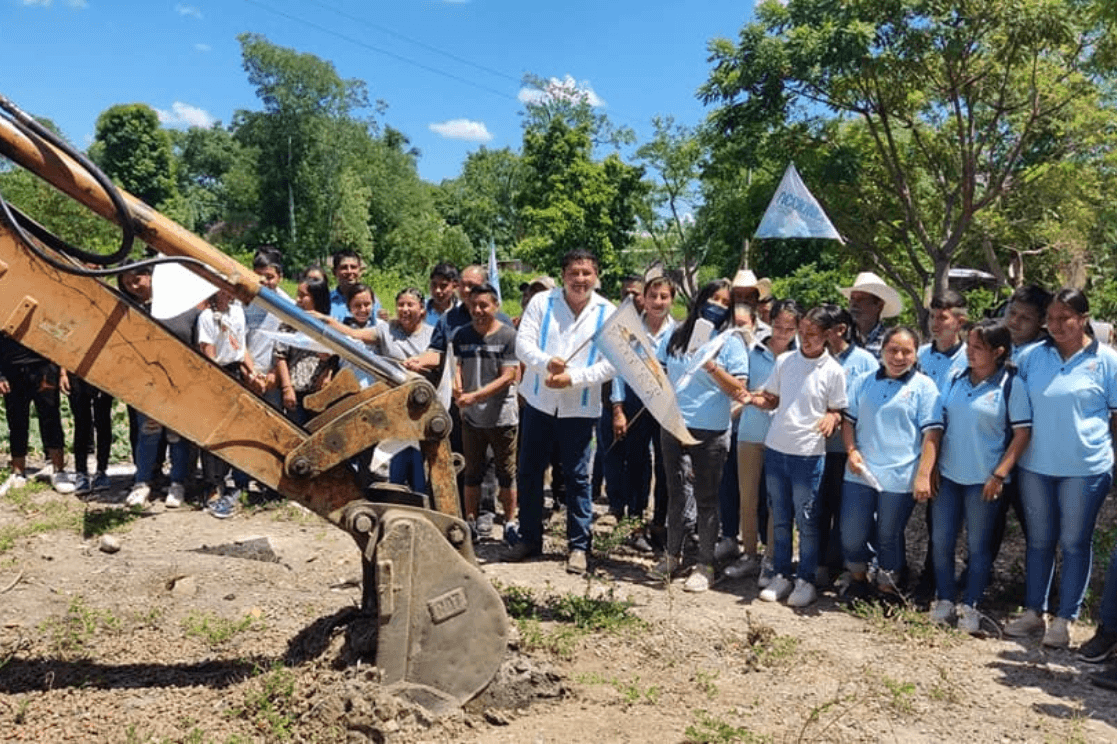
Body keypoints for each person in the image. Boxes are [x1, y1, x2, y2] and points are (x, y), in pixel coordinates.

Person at [1004, 288, 1117, 648]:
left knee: (1074, 542)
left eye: (1063, 318)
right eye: (1050, 319)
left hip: (1086, 468)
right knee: (1039, 541)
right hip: (1036, 465)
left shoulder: (1108, 362)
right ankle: (1034, 612)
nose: (1055, 326)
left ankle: (1065, 619)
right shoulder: (1031, 357)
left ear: (1083, 319)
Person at [917, 319, 1031, 632]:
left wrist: (999, 474)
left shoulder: (1011, 385)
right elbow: (939, 426)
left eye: (978, 347)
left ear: (998, 351)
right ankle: (944, 599)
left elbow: (1022, 434)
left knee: (979, 547)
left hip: (985, 481)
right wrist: (932, 467)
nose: (970, 352)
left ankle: (971, 605)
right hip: (950, 477)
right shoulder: (955, 379)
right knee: (941, 541)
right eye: (969, 345)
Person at [510, 249, 616, 575]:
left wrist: (574, 379)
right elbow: (522, 343)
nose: (580, 279)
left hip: (580, 408)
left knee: (578, 477)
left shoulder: (608, 312)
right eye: (574, 273)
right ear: (564, 274)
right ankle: (529, 537)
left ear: (596, 276)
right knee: (528, 471)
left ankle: (579, 547)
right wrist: (545, 364)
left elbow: (612, 364)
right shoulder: (542, 303)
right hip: (540, 402)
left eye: (586, 273)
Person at [652, 279, 749, 593]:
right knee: (675, 493)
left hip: (711, 431)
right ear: (699, 300)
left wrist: (709, 365)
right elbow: (659, 372)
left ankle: (705, 564)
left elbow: (739, 389)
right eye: (713, 299)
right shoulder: (674, 334)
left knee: (707, 499)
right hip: (673, 425)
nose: (717, 306)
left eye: (725, 303)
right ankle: (672, 554)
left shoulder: (731, 342)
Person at [747, 306, 847, 607]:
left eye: (813, 334)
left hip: (808, 455)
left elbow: (837, 408)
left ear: (828, 335)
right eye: (802, 331)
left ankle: (805, 579)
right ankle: (781, 574)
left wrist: (834, 418)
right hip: (777, 448)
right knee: (779, 518)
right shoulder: (785, 361)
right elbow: (772, 398)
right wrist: (753, 399)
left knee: (807, 521)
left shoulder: (833, 371)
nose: (806, 339)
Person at [841, 326, 941, 601]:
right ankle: (858, 579)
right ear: (882, 350)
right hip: (860, 472)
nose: (898, 356)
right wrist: (851, 450)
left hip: (900, 475)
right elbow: (848, 420)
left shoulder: (924, 387)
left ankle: (888, 587)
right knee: (852, 533)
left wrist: (923, 475)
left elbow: (932, 433)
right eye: (892, 350)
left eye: (906, 351)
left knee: (889, 534)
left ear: (915, 354)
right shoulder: (863, 381)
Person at [724, 298, 802, 583]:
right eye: (778, 326)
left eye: (789, 328)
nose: (782, 333)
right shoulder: (752, 350)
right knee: (747, 498)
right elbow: (738, 386)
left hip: (782, 439)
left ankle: (773, 558)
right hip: (750, 433)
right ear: (769, 323)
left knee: (776, 502)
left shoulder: (800, 356)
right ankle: (749, 554)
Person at [609, 275, 678, 551]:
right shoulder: (629, 330)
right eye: (653, 296)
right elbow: (618, 372)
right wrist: (618, 409)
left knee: (666, 467)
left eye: (664, 297)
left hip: (666, 407)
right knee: (637, 466)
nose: (658, 302)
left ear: (672, 300)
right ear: (644, 299)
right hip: (636, 406)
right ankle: (635, 526)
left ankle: (659, 524)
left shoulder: (679, 334)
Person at [452, 283, 519, 537]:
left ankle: (510, 523)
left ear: (496, 306)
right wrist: (456, 386)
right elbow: (455, 366)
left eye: (484, 305)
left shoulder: (508, 336)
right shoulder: (461, 335)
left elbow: (508, 376)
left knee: (506, 473)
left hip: (502, 417)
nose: (478, 310)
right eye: (473, 305)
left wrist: (475, 396)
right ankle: (470, 521)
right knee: (472, 472)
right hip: (471, 417)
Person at [816, 305, 876, 586]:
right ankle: (816, 564)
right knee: (818, 508)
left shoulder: (865, 361)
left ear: (839, 330)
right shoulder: (816, 357)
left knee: (845, 511)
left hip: (849, 450)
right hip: (815, 448)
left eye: (822, 329)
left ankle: (839, 566)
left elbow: (870, 403)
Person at [196, 288, 258, 518]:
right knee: (214, 431)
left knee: (237, 429)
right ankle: (213, 483)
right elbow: (207, 351)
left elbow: (241, 348)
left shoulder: (237, 312)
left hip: (236, 372)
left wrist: (252, 372)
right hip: (216, 374)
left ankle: (237, 481)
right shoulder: (206, 316)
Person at [0, 336, 76, 494]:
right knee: (16, 421)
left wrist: (62, 370)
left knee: (51, 417)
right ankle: (18, 473)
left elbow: (59, 333)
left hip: (44, 366)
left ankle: (59, 471)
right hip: (11, 369)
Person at [275, 272, 337, 425]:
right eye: (298, 295)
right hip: (296, 393)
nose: (298, 300)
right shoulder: (289, 323)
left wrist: (328, 373)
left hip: (321, 395)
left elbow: (338, 357)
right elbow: (280, 356)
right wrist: (287, 388)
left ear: (317, 298)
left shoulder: (329, 325)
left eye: (303, 296)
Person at [838, 271, 903, 359]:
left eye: (861, 299)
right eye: (852, 299)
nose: (854, 304)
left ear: (879, 305)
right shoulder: (841, 336)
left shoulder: (891, 340)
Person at [68, 375, 113, 495]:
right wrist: (63, 373)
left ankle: (102, 471)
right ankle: (81, 472)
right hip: (76, 373)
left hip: (102, 373)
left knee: (103, 422)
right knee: (81, 423)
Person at [918, 290, 969, 391]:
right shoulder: (918, 355)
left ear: (960, 322)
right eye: (932, 316)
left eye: (942, 318)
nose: (934, 323)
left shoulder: (970, 360)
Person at [328, 249, 379, 321]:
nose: (349, 271)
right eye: (344, 268)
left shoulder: (370, 299)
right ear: (334, 272)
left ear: (360, 271)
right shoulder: (327, 300)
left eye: (353, 267)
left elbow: (378, 328)